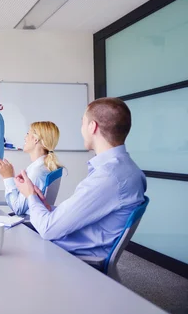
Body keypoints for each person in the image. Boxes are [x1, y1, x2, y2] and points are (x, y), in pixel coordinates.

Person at [14, 97, 146, 257]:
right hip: (70, 245)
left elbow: (48, 229)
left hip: (68, 257)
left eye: (82, 122)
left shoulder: (108, 177)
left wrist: (30, 196)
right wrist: (43, 203)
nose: (81, 128)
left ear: (92, 127)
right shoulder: (128, 169)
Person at [0, 121, 63, 216]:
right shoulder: (43, 166)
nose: (25, 137)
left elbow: (18, 209)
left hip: (29, 223)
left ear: (36, 139)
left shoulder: (37, 172)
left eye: (28, 134)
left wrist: (8, 178)